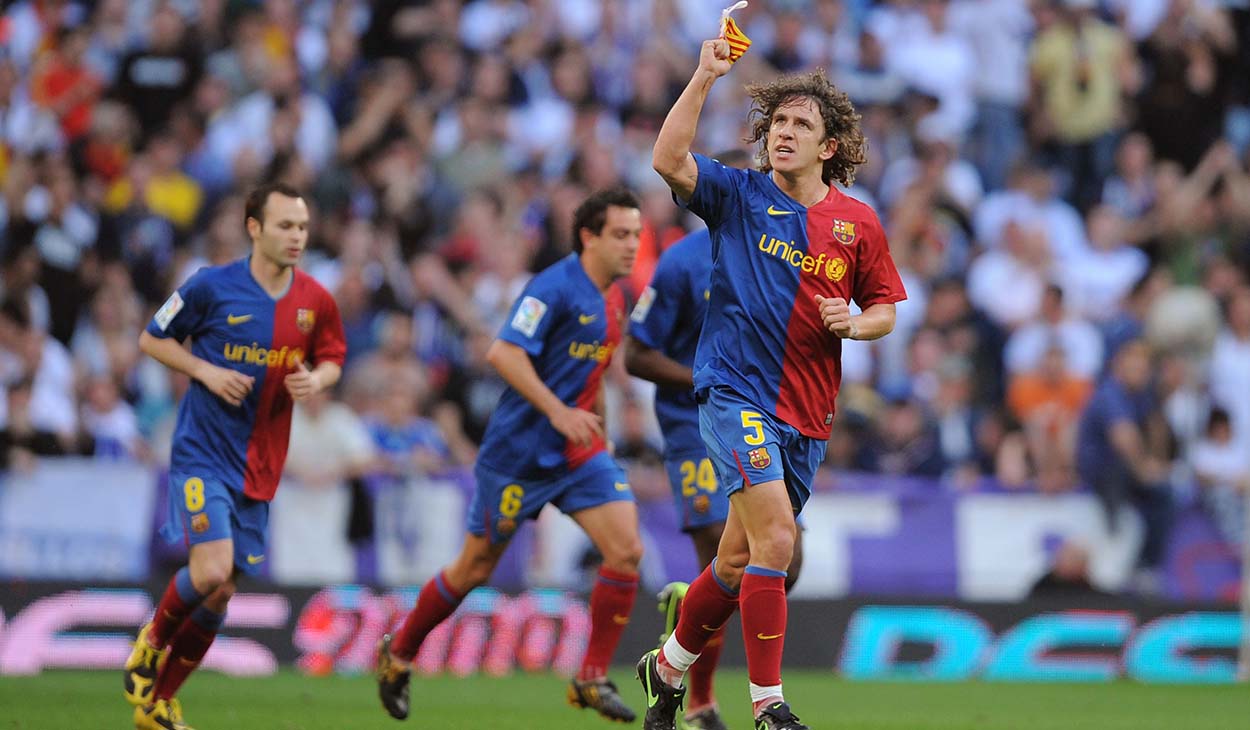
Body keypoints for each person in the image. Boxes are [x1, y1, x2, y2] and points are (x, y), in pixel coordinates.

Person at [638, 36, 906, 730]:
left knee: (734, 559)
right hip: (735, 395)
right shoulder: (738, 195)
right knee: (777, 546)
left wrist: (853, 323)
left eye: (800, 127)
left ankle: (666, 666)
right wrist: (703, 74)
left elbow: (885, 312)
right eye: (777, 124)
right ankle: (769, 705)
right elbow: (667, 159)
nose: (783, 134)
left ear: (829, 147)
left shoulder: (857, 223)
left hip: (808, 414)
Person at [375, 188, 645, 723]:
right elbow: (503, 351)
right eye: (621, 235)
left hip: (577, 454)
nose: (633, 246)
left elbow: (591, 376)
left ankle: (590, 677)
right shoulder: (553, 287)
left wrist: (602, 431)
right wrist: (556, 412)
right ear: (589, 236)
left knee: (627, 552)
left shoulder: (614, 297)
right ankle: (399, 652)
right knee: (473, 569)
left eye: (637, 234)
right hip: (519, 455)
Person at [122, 182, 346, 730]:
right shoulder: (210, 287)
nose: (296, 237)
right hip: (203, 453)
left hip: (262, 467)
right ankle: (152, 639)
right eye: (285, 226)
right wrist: (204, 370)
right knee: (212, 568)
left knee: (220, 595)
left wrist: (316, 379)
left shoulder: (315, 300)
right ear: (254, 228)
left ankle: (159, 707)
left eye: (302, 227)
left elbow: (334, 356)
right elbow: (152, 338)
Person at [625, 147, 804, 730]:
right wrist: (703, 374)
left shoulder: (781, 253)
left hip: (767, 420)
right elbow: (637, 352)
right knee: (722, 547)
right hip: (692, 422)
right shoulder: (681, 263)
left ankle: (674, 661)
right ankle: (703, 700)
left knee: (766, 560)